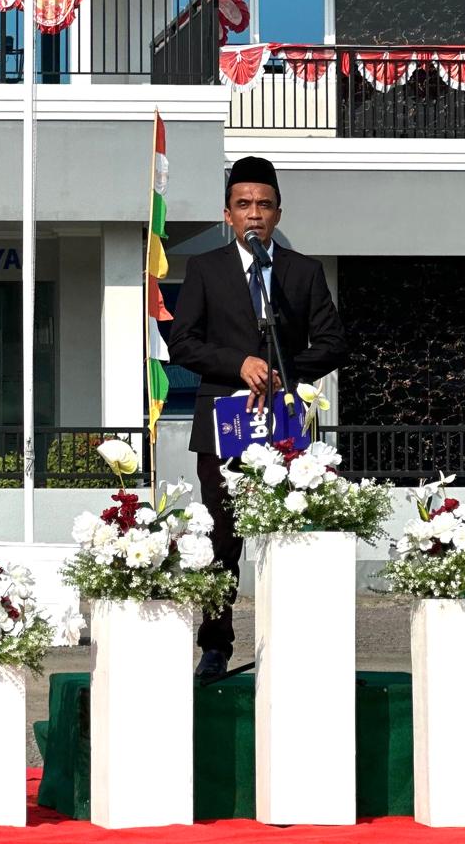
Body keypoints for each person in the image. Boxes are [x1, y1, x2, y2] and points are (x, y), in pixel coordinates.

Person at [168, 156, 347, 678]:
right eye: (243, 205)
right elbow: (182, 343)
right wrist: (238, 363)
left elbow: (334, 342)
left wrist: (281, 370)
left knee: (289, 528)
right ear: (227, 214)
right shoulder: (205, 270)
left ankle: (290, 637)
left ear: (277, 213)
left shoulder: (303, 272)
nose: (254, 214)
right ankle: (216, 644)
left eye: (263, 205)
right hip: (224, 422)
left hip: (284, 424)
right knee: (224, 536)